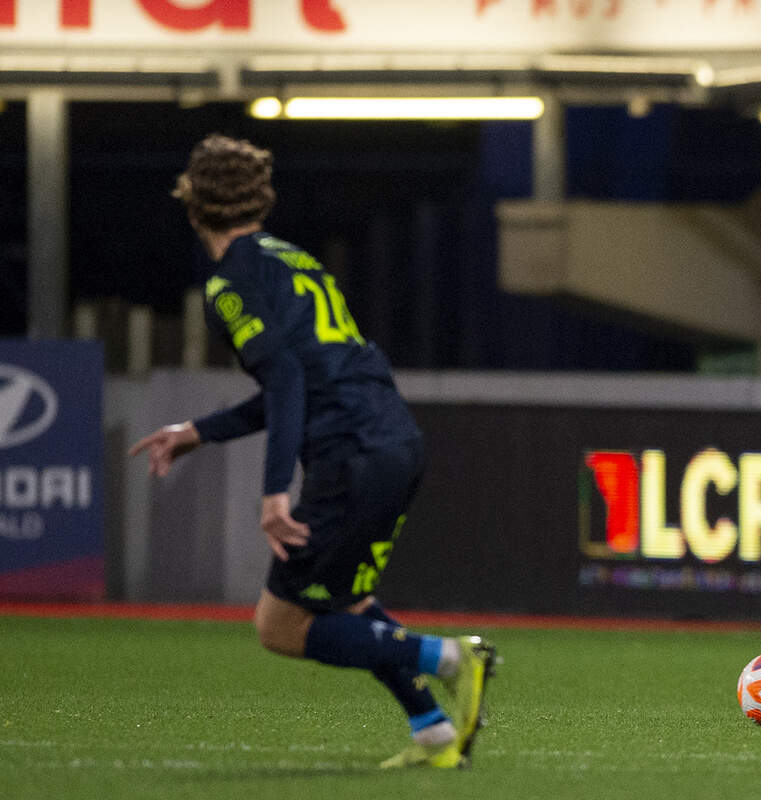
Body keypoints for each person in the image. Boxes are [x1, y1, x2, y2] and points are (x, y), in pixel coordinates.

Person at [130, 133, 496, 768]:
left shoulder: (228, 285)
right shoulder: (293, 260)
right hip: (392, 441)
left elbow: (288, 381)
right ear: (259, 202)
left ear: (191, 204)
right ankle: (432, 730)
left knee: (279, 626)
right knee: (346, 602)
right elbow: (302, 376)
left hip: (350, 457)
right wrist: (200, 431)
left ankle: (450, 658)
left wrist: (273, 493)